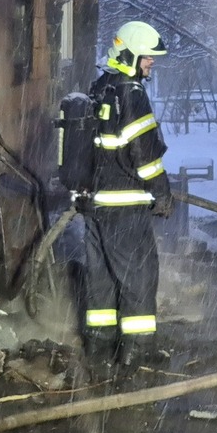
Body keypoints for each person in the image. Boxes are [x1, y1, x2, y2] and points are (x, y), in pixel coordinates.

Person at [81, 20, 171, 369]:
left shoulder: (100, 88)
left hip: (96, 206)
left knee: (101, 278)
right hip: (125, 205)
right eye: (148, 57)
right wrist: (161, 191)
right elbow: (144, 154)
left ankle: (98, 348)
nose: (152, 63)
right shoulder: (131, 93)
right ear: (131, 53)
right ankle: (137, 353)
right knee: (139, 275)